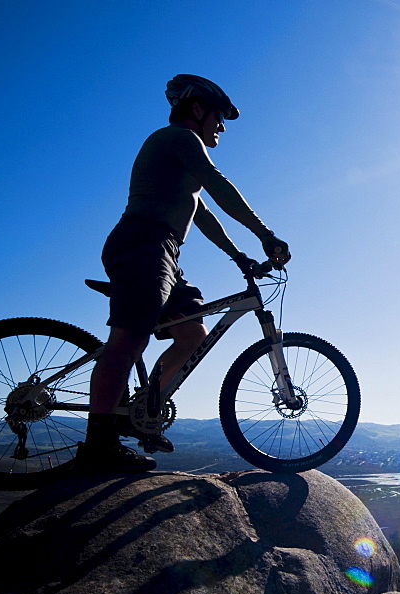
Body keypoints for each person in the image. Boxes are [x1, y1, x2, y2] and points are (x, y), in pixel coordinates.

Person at [75, 74, 291, 472]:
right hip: (145, 243)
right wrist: (265, 235)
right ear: (197, 109)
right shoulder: (179, 138)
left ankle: (144, 408)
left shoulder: (181, 160)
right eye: (219, 117)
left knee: (193, 334)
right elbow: (218, 185)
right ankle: (98, 444)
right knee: (130, 338)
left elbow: (204, 214)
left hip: (163, 252)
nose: (222, 128)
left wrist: (238, 256)